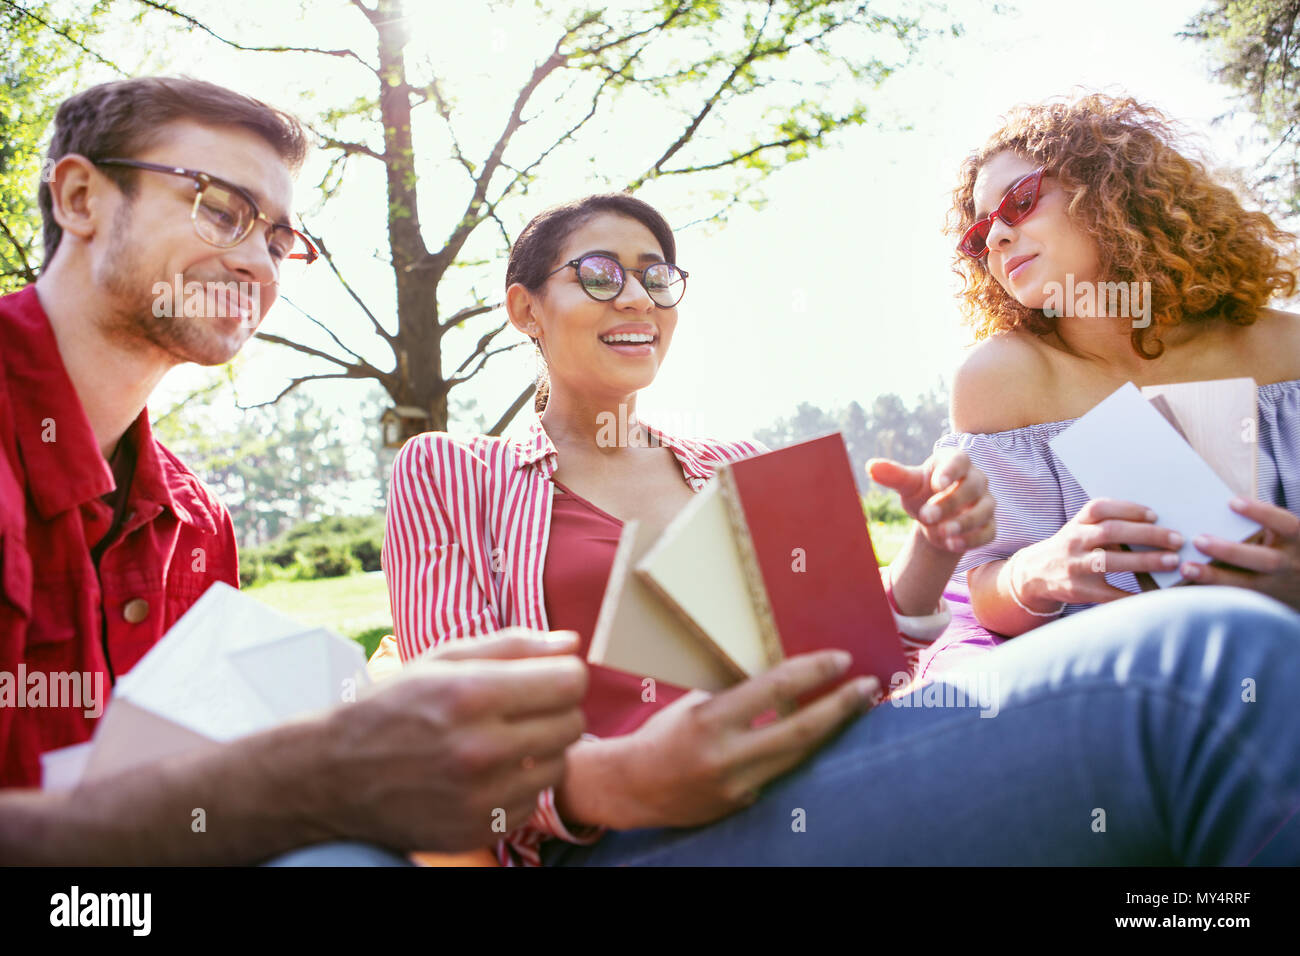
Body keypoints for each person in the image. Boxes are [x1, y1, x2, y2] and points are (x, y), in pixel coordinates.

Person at [383, 192, 1300, 866]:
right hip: (630, 838)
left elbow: (867, 650)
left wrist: (936, 545)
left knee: (1201, 657)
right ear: (524, 308)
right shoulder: (454, 473)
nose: (637, 297)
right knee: (1213, 652)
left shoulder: (736, 462)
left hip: (827, 772)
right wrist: (627, 776)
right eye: (599, 273)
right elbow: (449, 747)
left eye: (658, 276)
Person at [0, 76, 588, 865]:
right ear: (79, 198)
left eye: (279, 242)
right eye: (220, 209)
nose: (258, 267)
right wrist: (303, 780)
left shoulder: (196, 522)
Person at [920, 94, 1300, 675]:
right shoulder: (1002, 379)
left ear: (1112, 189)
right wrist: (1038, 572)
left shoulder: (1286, 349)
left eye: (1019, 202)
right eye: (978, 236)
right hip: (1116, 688)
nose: (995, 238)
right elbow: (984, 595)